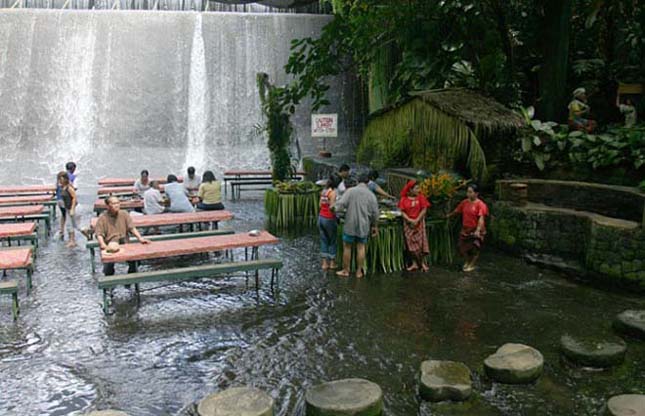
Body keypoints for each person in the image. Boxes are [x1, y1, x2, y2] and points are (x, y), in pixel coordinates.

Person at [334, 173, 380, 278]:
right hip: (364, 225)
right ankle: (359, 271)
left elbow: (340, 205)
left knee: (347, 247)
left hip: (350, 223)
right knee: (361, 247)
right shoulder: (371, 195)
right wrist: (374, 226)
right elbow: (375, 213)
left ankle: (346, 270)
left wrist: (339, 214)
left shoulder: (350, 191)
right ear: (368, 183)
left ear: (358, 181)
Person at [95, 196, 150, 276]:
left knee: (135, 261)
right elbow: (99, 234)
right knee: (109, 266)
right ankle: (110, 283)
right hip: (111, 243)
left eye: (118, 203)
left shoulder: (124, 214)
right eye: (114, 203)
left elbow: (131, 228)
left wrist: (140, 238)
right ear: (108, 206)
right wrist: (103, 244)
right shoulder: (103, 218)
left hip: (124, 241)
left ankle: (130, 279)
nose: (117, 205)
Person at [447, 184, 489, 272]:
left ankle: (472, 264)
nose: (468, 194)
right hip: (466, 229)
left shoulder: (481, 205)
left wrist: (478, 230)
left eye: (470, 192)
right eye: (467, 192)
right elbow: (457, 211)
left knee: (475, 248)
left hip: (476, 229)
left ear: (476, 193)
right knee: (461, 247)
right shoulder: (464, 202)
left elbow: (481, 218)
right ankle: (467, 260)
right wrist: (448, 216)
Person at [398, 180, 431, 272]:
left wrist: (417, 220)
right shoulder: (404, 199)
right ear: (410, 190)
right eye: (416, 188)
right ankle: (414, 263)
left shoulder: (421, 198)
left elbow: (424, 209)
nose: (418, 190)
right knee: (410, 244)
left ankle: (422, 263)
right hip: (408, 224)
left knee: (420, 244)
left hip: (419, 223)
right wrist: (409, 220)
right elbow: (402, 211)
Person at [318, 175, 340, 271]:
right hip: (329, 219)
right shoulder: (333, 193)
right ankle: (332, 263)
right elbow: (332, 207)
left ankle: (324, 264)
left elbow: (320, 205)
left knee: (323, 240)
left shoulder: (324, 192)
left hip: (321, 217)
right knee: (332, 240)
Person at [58, 171, 81, 247]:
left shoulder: (69, 187)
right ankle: (72, 241)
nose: (59, 181)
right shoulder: (63, 187)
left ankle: (88, 233)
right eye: (59, 179)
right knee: (69, 225)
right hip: (68, 208)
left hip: (73, 208)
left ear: (65, 179)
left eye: (61, 179)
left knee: (77, 226)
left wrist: (72, 209)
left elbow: (74, 198)